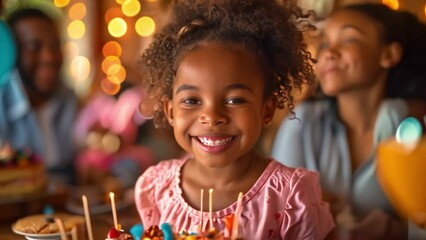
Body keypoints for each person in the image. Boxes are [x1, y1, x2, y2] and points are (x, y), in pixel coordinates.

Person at [134, 0, 335, 239]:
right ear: (170, 112)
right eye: (191, 101)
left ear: (266, 110)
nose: (212, 117)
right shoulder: (156, 188)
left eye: (235, 100)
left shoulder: (291, 196)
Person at [271, 3, 426, 239]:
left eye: (348, 39)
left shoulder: (412, 126)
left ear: (388, 54)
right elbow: (279, 218)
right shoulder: (303, 122)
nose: (328, 52)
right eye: (324, 44)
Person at [0, 8, 78, 184]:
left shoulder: (68, 98)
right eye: (34, 47)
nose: (49, 57)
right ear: (12, 54)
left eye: (55, 46)